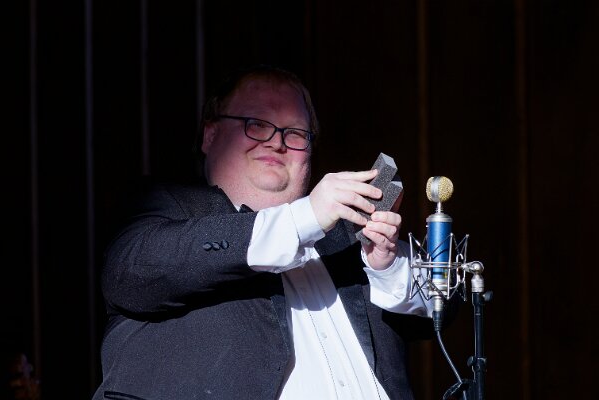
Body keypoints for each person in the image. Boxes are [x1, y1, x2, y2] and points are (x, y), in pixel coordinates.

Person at [92, 64, 447, 400]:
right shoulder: (164, 207)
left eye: (295, 133)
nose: (277, 142)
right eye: (256, 124)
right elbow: (131, 273)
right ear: (210, 134)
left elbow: (444, 313)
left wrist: (387, 266)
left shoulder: (347, 238)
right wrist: (304, 217)